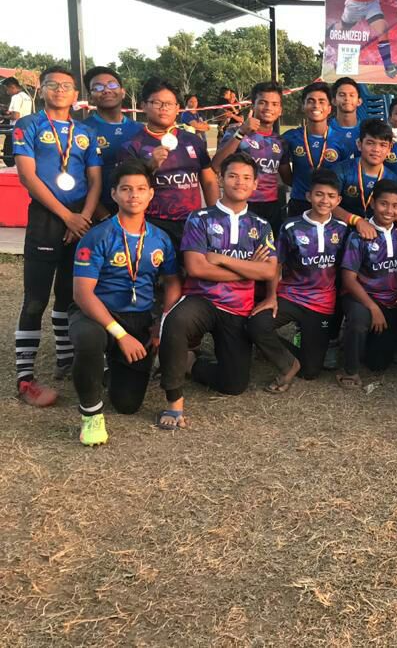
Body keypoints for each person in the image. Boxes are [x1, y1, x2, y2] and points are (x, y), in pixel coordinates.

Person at [156, 152, 278, 430]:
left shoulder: (260, 225)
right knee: (176, 320)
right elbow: (196, 267)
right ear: (221, 179)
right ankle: (174, 402)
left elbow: (269, 271)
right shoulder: (199, 218)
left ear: (255, 184)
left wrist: (222, 259)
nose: (239, 182)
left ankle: (190, 363)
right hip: (202, 298)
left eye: (246, 177)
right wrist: (249, 269)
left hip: (238, 307)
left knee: (234, 384)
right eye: (233, 175)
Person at [69, 159, 182, 444]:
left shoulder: (160, 238)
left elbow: (172, 283)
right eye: (126, 189)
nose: (134, 195)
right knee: (89, 339)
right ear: (114, 194)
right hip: (97, 313)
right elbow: (82, 293)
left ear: (151, 194)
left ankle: (107, 369)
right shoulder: (98, 236)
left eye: (141, 189)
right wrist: (120, 335)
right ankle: (91, 414)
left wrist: (161, 324)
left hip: (138, 317)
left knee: (127, 404)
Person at [13, 66, 102, 405]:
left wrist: (84, 218)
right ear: (42, 89)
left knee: (68, 294)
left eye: (67, 86)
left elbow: (95, 180)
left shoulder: (86, 131)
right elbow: (27, 176)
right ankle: (25, 378)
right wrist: (67, 216)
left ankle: (65, 360)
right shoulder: (28, 125)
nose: (60, 90)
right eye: (53, 84)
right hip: (47, 219)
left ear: (76, 94)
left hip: (80, 219)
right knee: (35, 298)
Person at [249, 168, 350, 394]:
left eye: (331, 196)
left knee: (311, 371)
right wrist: (271, 297)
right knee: (257, 324)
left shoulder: (342, 229)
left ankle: (287, 351)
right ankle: (287, 363)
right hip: (291, 296)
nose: (324, 200)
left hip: (322, 304)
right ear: (308, 196)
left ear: (338, 200)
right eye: (319, 194)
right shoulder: (291, 227)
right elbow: (277, 264)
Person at [118, 78, 217, 252]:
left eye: (169, 104)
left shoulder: (193, 140)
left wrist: (214, 218)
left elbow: (209, 181)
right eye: (157, 103)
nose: (164, 108)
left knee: (194, 268)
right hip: (152, 225)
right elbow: (127, 189)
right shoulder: (132, 145)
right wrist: (151, 165)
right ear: (143, 106)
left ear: (178, 108)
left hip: (192, 224)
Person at [339, 180, 397, 387]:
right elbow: (348, 279)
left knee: (377, 364)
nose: (389, 210)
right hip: (362, 298)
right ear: (372, 203)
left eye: (395, 206)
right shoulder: (359, 236)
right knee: (360, 319)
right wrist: (372, 307)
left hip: (391, 302)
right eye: (383, 204)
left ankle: (356, 340)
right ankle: (350, 371)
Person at [211, 81, 285, 232]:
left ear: (280, 110)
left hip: (272, 207)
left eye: (274, 104)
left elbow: (287, 177)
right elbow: (216, 165)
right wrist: (241, 132)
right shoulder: (236, 132)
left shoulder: (281, 141)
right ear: (253, 106)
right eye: (263, 102)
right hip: (242, 205)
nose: (268, 108)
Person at [280, 82, 356, 216]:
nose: (316, 105)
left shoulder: (342, 141)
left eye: (321, 101)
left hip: (330, 205)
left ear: (329, 108)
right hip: (299, 202)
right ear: (303, 106)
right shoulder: (291, 137)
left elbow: (347, 176)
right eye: (311, 101)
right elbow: (285, 174)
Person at [83, 66, 141, 218]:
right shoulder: (81, 131)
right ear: (90, 97)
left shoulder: (140, 130)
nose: (106, 90)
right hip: (99, 214)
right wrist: (101, 214)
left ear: (123, 92)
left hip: (137, 210)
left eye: (112, 85)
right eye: (98, 87)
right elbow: (78, 178)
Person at [333, 118, 397, 230]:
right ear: (359, 144)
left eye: (383, 145)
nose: (376, 149)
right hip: (340, 232)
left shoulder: (393, 180)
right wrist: (356, 220)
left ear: (390, 148)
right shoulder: (341, 170)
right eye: (370, 143)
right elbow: (327, 204)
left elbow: (396, 210)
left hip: (376, 235)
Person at [329, 76, 363, 150]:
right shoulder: (325, 129)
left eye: (352, 95)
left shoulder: (367, 129)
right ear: (334, 101)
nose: (347, 98)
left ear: (359, 101)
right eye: (342, 95)